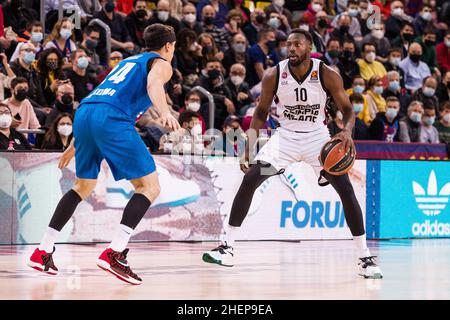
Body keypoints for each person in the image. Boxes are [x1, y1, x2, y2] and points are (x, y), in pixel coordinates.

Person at [202, 29, 383, 279]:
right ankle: (227, 248)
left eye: (297, 44)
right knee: (251, 178)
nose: (292, 48)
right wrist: (248, 147)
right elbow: (260, 113)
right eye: (289, 45)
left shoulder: (327, 74)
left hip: (317, 139)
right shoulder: (274, 74)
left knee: (345, 189)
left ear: (309, 48)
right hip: (285, 139)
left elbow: (348, 111)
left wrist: (347, 132)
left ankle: (365, 257)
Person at [28, 24, 181, 285]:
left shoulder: (128, 61)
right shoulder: (162, 63)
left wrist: (75, 142)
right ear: (168, 45)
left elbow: (101, 97)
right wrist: (164, 110)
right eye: (173, 46)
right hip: (112, 119)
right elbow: (154, 83)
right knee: (149, 186)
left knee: (83, 186)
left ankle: (43, 249)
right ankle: (116, 252)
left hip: (86, 113)